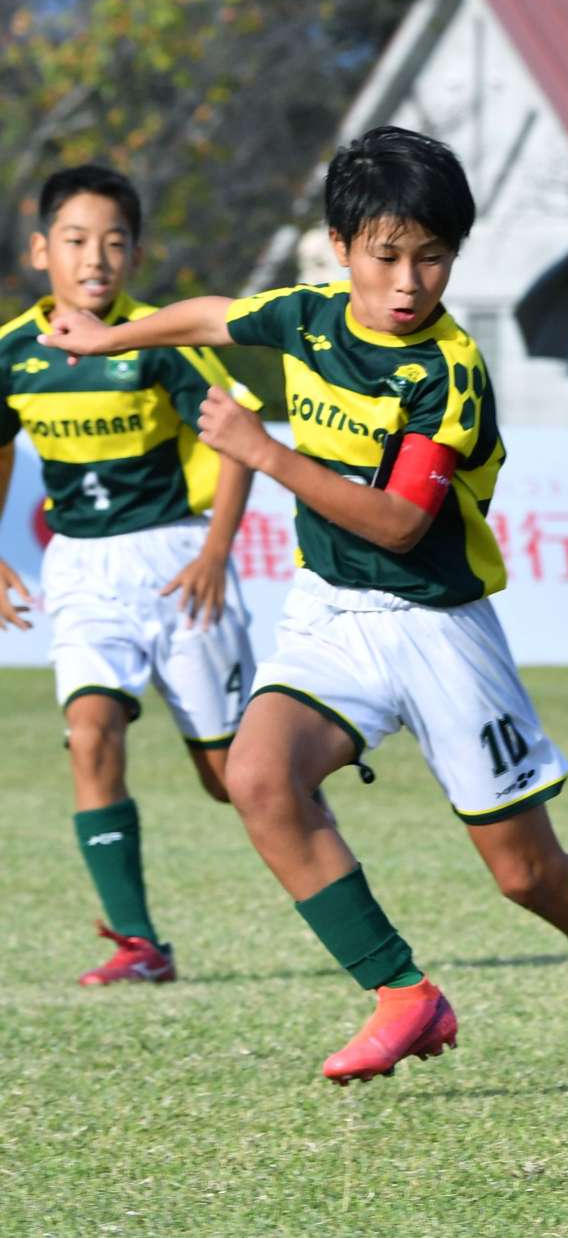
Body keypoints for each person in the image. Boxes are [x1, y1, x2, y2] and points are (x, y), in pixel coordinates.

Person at [41, 126, 568, 1088]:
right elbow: (211, 316)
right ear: (340, 244)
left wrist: (266, 450)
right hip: (329, 613)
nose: (409, 282)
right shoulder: (310, 316)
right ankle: (404, 995)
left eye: (433, 257)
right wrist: (114, 335)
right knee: (257, 777)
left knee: (529, 875)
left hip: (440, 628)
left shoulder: (445, 371)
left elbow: (403, 524)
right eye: (387, 256)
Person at [0, 165, 258, 987]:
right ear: (42, 250)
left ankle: (322, 851)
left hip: (176, 558)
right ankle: (140, 943)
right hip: (78, 566)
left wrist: (215, 552)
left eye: (114, 243)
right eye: (76, 241)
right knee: (89, 732)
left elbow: (238, 437)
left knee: (237, 782)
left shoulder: (161, 339)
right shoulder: (14, 352)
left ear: (135, 254)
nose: (95, 259)